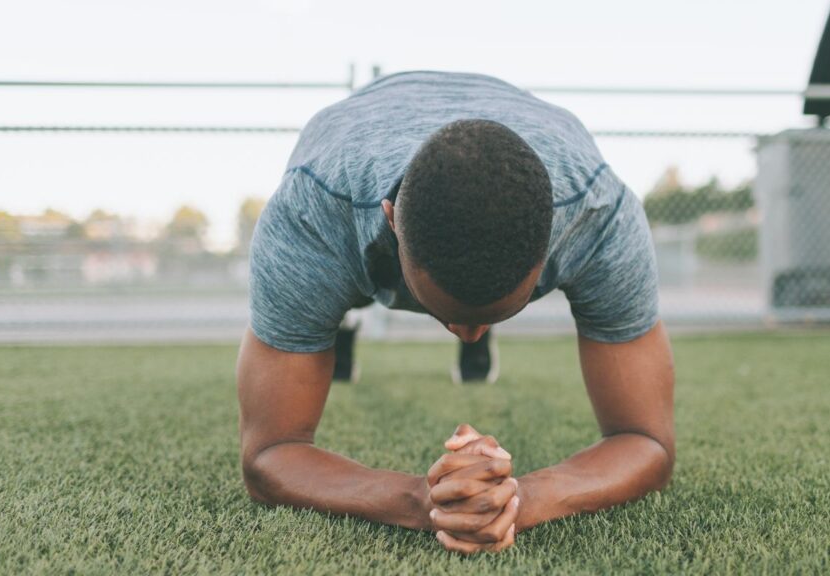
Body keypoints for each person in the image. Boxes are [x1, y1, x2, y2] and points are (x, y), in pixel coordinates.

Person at [236, 71, 675, 555]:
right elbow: (269, 454)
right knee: (326, 298)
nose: (467, 336)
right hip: (348, 169)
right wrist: (420, 500)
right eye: (450, 316)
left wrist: (520, 499)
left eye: (494, 315)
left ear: (554, 242)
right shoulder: (310, 214)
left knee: (466, 307)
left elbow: (647, 441)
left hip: (542, 140)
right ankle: (335, 320)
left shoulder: (598, 214)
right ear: (391, 223)